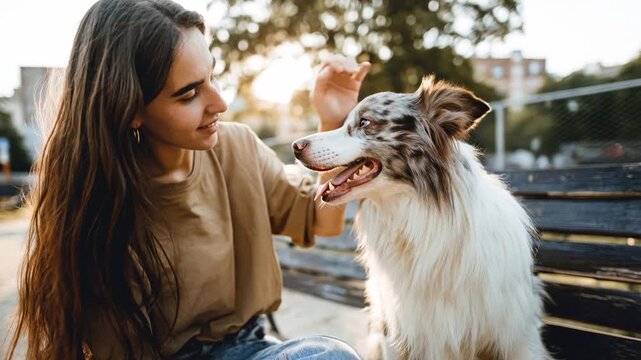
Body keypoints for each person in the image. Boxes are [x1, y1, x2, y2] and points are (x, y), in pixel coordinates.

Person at [4, 0, 371, 359]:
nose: (220, 102)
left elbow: (322, 220)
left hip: (253, 345)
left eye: (212, 75)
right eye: (189, 94)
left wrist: (333, 126)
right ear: (130, 109)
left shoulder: (238, 147)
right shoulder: (101, 213)